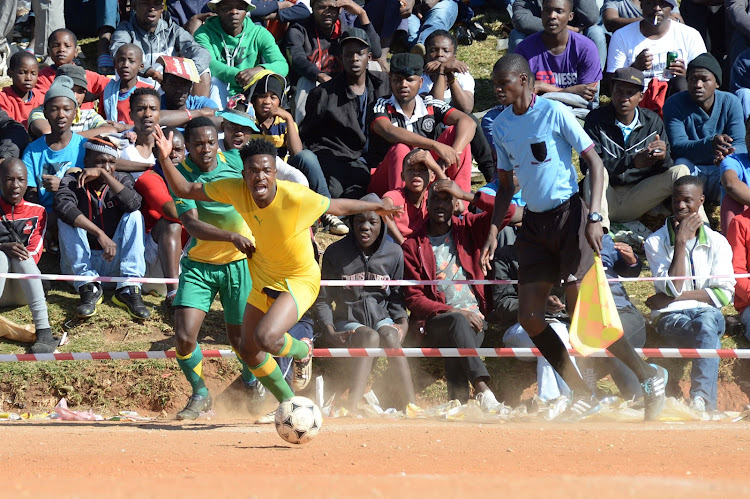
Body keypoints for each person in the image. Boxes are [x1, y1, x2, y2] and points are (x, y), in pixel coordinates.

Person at [155, 131, 403, 410]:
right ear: (244, 173)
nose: (259, 176)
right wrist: (164, 158)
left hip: (299, 279)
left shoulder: (295, 197)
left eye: (266, 170)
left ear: (275, 172)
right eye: (253, 171)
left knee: (266, 338)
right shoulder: (234, 189)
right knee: (248, 350)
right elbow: (186, 190)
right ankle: (290, 403)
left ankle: (302, 350)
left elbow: (338, 205)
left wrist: (377, 206)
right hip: (262, 276)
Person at [482, 53, 668, 421]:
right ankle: (582, 390)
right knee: (531, 316)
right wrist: (492, 228)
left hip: (571, 218)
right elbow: (504, 185)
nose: (498, 91)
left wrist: (595, 216)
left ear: (523, 80)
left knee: (583, 316)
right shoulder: (499, 126)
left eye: (503, 84)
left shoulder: (553, 112)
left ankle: (648, 377)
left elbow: (596, 165)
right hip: (534, 224)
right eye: (494, 85)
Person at [168, 117, 260, 419]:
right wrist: (231, 236)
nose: (205, 149)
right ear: (188, 146)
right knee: (183, 336)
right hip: (199, 267)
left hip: (238, 266)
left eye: (210, 142)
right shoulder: (180, 177)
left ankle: (250, 385)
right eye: (198, 144)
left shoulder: (235, 164)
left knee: (240, 341)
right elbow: (192, 224)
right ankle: (200, 393)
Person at [492, 235, 650, 403]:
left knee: (558, 334)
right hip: (520, 328)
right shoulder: (505, 256)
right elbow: (503, 304)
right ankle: (557, 399)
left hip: (562, 326)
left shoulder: (557, 255)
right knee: (552, 334)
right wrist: (540, 305)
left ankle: (568, 398)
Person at [402, 179, 515, 409]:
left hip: (476, 322)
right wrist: (453, 310)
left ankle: (458, 404)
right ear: (427, 202)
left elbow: (508, 210)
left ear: (456, 204)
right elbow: (414, 298)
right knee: (455, 322)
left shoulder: (470, 228)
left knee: (458, 339)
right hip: (437, 322)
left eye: (447, 199)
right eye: (435, 198)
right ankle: (482, 390)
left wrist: (466, 194)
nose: (441, 204)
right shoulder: (413, 245)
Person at [315, 193, 416, 411]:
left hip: (382, 318)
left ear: (382, 224)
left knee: (389, 334)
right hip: (347, 321)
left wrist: (403, 323)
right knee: (370, 336)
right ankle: (351, 406)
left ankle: (412, 404)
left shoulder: (394, 253)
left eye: (373, 222)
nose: (365, 227)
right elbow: (323, 299)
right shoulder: (335, 253)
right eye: (359, 221)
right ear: (351, 222)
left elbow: (397, 297)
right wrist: (330, 330)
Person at [644, 175, 734, 413]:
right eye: (676, 200)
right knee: (706, 330)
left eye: (687, 200)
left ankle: (700, 401)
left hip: (705, 315)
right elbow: (672, 286)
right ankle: (703, 402)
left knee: (706, 321)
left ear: (701, 201)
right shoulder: (655, 242)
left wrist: (674, 298)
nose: (680, 206)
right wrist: (681, 243)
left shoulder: (718, 242)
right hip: (670, 319)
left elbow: (724, 296)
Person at [582, 67, 703, 228]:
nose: (624, 98)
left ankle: (702, 230)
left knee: (681, 170)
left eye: (630, 93)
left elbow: (666, 167)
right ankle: (600, 231)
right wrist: (631, 161)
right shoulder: (596, 119)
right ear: (612, 92)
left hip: (638, 197)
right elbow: (585, 166)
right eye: (619, 91)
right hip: (604, 196)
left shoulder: (652, 121)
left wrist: (663, 157)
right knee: (595, 169)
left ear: (641, 96)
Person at [53, 136, 151, 320]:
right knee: (66, 219)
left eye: (111, 162)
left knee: (135, 215)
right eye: (99, 162)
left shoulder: (122, 179)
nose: (106, 167)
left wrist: (105, 175)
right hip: (81, 266)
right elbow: (62, 206)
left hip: (115, 264)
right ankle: (88, 287)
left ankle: (129, 288)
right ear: (86, 162)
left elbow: (134, 203)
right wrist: (99, 233)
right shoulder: (72, 180)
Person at [246, 70, 347, 235]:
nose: (267, 102)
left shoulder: (283, 120)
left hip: (285, 169)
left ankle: (328, 210)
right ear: (254, 99)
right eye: (262, 96)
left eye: (273, 97)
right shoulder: (248, 121)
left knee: (307, 157)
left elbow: (296, 152)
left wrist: (289, 119)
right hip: (259, 172)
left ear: (280, 100)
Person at [367, 52, 476, 198]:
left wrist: (451, 154)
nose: (403, 84)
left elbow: (468, 121)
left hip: (424, 175)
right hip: (385, 181)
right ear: (390, 80)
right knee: (401, 148)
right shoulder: (380, 105)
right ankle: (401, 212)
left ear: (420, 82)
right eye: (397, 80)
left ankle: (460, 206)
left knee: (456, 135)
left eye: (409, 80)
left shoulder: (429, 103)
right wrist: (435, 146)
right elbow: (388, 130)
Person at [299, 27, 390, 200]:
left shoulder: (384, 84)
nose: (354, 59)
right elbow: (308, 134)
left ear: (369, 57)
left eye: (359, 54)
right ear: (341, 58)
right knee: (337, 193)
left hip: (377, 157)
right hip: (339, 158)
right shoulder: (324, 94)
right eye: (348, 54)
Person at [663, 53, 747, 204]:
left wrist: (728, 155)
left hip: (721, 169)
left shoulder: (730, 102)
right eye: (693, 79)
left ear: (717, 83)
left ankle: (733, 219)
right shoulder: (674, 103)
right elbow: (677, 146)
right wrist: (710, 144)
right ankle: (694, 218)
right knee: (681, 164)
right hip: (693, 171)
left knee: (738, 163)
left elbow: (741, 143)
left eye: (704, 79)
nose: (698, 85)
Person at [286, 0, 382, 123]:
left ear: (340, 9)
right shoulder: (299, 28)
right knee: (306, 81)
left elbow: (375, 53)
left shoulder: (343, 30)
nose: (327, 12)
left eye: (332, 8)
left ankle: (376, 120)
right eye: (322, 7)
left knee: (373, 66)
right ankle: (303, 135)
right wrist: (320, 76)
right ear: (312, 7)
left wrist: (362, 14)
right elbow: (296, 58)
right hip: (314, 87)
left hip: (342, 86)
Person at [421, 29, 495, 182]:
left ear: (454, 57)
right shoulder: (421, 79)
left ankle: (490, 173)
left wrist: (450, 76)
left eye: (445, 51)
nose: (440, 55)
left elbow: (466, 108)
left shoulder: (463, 76)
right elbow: (436, 107)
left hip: (459, 137)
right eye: (433, 50)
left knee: (471, 119)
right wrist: (441, 71)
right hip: (433, 133)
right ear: (426, 56)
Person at [606, 0, 705, 114]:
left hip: (676, 100)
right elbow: (613, 83)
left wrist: (687, 74)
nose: (656, 8)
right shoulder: (622, 35)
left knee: (680, 82)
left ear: (671, 8)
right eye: (650, 3)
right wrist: (634, 68)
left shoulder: (690, 35)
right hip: (638, 100)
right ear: (641, 5)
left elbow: (704, 76)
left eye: (662, 4)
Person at [0, 158, 56, 354]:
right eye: (8, 179)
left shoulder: (38, 212)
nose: (15, 185)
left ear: (27, 182)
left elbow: (35, 252)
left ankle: (44, 333)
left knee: (20, 254)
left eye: (20, 180)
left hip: (24, 289)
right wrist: (2, 247)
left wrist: (11, 250)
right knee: (2, 255)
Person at [515, 0, 602, 120]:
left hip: (576, 114)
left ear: (570, 16)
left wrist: (542, 86)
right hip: (537, 113)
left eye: (559, 11)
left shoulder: (586, 48)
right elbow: (522, 94)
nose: (552, 16)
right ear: (541, 14)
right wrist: (570, 91)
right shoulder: (525, 49)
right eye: (547, 11)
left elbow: (585, 97)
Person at [193, 0, 288, 108]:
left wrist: (260, 69)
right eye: (227, 8)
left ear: (246, 10)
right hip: (216, 90)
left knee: (270, 80)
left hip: (249, 89)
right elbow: (209, 63)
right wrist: (238, 76)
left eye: (240, 8)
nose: (234, 12)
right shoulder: (203, 33)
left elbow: (282, 65)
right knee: (215, 81)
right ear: (217, 10)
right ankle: (217, 118)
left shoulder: (259, 33)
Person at [111, 0, 213, 97]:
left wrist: (185, 74)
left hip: (169, 87)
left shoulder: (172, 29)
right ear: (134, 6)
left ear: (162, 8)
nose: (152, 8)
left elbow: (201, 52)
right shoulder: (125, 30)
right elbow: (117, 51)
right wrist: (153, 73)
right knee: (124, 62)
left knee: (203, 71)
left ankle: (198, 111)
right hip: (137, 89)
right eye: (146, 3)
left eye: (156, 3)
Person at [22, 76, 88, 213]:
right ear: (45, 113)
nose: (61, 115)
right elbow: (31, 192)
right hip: (43, 217)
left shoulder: (85, 147)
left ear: (75, 113)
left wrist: (63, 187)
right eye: (54, 109)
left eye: (67, 109)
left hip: (77, 214)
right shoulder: (32, 151)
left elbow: (92, 190)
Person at [28, 64, 120, 140]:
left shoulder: (88, 115)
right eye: (70, 89)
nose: (75, 96)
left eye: (80, 91)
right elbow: (47, 132)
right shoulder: (41, 112)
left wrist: (69, 139)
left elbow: (111, 130)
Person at [383, 148, 446, 245]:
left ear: (432, 176)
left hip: (424, 246)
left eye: (422, 170)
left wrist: (436, 168)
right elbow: (383, 209)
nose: (416, 173)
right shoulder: (397, 195)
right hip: (398, 247)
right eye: (411, 169)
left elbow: (458, 205)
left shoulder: (431, 197)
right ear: (402, 176)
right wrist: (403, 244)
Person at [35, 29, 112, 105]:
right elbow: (42, 101)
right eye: (56, 46)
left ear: (76, 52)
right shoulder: (42, 77)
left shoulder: (86, 75)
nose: (61, 49)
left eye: (67, 46)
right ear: (49, 51)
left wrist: (96, 97)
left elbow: (112, 87)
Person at [157, 56, 220, 128]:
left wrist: (174, 121)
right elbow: (158, 119)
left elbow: (221, 122)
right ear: (163, 85)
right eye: (173, 84)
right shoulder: (156, 104)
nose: (179, 90)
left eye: (184, 84)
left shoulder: (202, 103)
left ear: (191, 86)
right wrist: (199, 113)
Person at [101, 44, 154, 125]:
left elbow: (152, 123)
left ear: (141, 66)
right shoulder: (108, 91)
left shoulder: (148, 92)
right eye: (121, 60)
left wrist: (125, 128)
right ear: (115, 64)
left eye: (131, 61)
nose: (125, 65)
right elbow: (101, 120)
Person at [0, 51, 44, 128]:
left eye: (33, 73)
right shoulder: (3, 99)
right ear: (10, 72)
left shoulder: (41, 99)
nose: (29, 78)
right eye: (22, 73)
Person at [603, 0, 683, 34]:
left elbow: (678, 21)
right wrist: (646, 21)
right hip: (628, 44)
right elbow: (610, 22)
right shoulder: (615, 1)